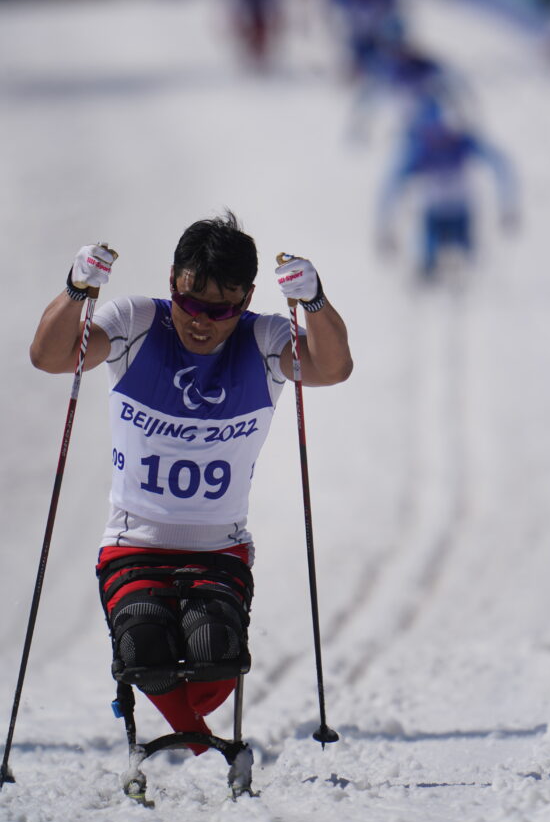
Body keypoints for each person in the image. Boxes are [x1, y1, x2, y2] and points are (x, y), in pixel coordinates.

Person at [29, 212, 352, 750]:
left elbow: (332, 368)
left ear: (246, 300)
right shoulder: (136, 322)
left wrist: (314, 302)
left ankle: (194, 727)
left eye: (220, 308)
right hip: (133, 544)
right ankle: (202, 742)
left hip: (219, 549)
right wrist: (75, 289)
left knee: (215, 659)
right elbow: (50, 357)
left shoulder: (265, 338)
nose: (200, 320)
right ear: (171, 281)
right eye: (189, 301)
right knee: (143, 651)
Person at [377, 95, 519, 278]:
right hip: (433, 215)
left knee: (471, 267)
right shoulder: (421, 151)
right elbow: (392, 184)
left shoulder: (463, 143)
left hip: (461, 212)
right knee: (427, 268)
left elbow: (500, 165)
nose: (441, 139)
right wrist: (385, 225)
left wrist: (508, 203)